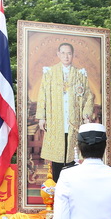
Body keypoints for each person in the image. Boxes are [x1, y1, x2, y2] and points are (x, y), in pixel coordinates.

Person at [35, 42, 95, 181]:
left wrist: (86, 116)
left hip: (74, 122)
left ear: (73, 55)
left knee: (73, 155)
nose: (66, 56)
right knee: (57, 156)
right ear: (58, 54)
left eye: (69, 53)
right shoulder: (49, 73)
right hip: (56, 121)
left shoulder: (80, 74)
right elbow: (42, 95)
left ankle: (71, 187)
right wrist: (42, 117)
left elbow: (88, 96)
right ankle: (57, 185)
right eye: (63, 53)